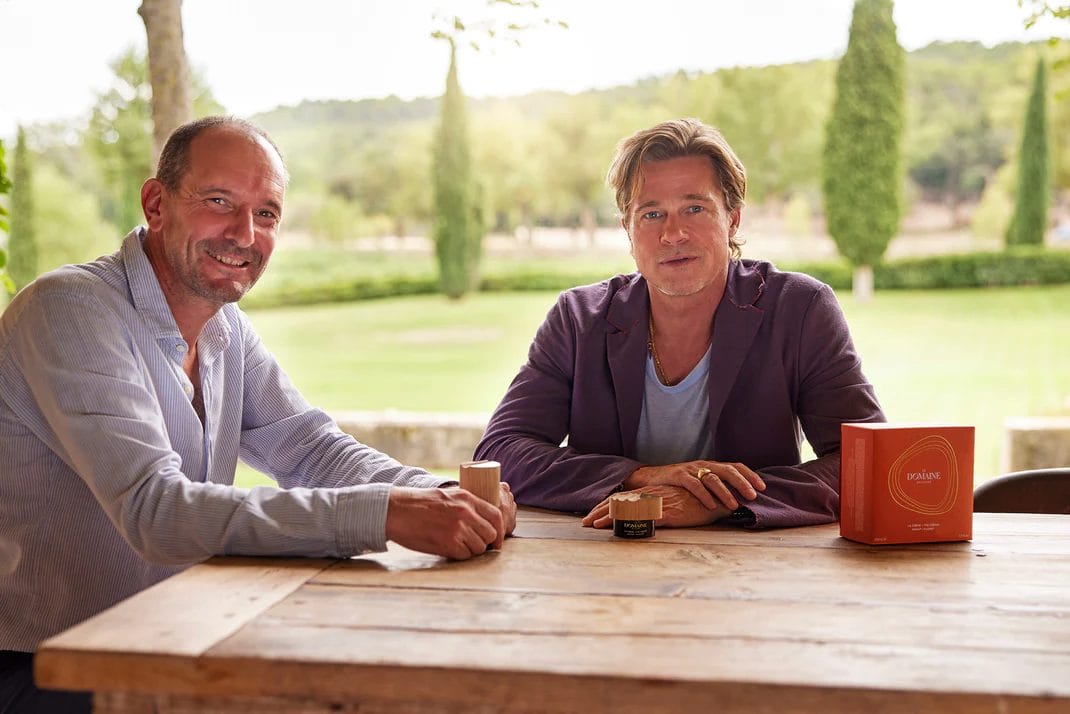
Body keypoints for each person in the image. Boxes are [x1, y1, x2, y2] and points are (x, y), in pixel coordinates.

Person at [0, 116, 516, 713]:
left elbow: (309, 448)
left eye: (266, 213)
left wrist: (437, 493)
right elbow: (155, 512)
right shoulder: (69, 310)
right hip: (52, 671)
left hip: (177, 642)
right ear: (156, 204)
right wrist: (385, 513)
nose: (244, 234)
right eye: (219, 201)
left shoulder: (225, 328)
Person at [474, 117, 884, 530]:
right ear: (628, 230)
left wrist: (718, 502)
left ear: (733, 219)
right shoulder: (577, 319)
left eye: (695, 208)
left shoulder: (800, 309)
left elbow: (871, 462)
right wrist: (640, 479)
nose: (673, 234)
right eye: (652, 214)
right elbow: (500, 452)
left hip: (755, 558)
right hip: (605, 556)